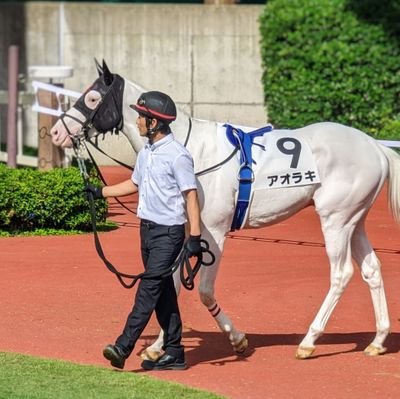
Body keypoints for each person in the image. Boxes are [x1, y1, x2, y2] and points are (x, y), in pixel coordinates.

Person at [86, 91, 202, 371]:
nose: (137, 121)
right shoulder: (147, 152)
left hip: (169, 233)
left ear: (155, 123)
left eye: (141, 117)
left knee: (148, 289)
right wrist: (100, 192)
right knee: (162, 290)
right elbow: (134, 184)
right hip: (147, 231)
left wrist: (195, 237)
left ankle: (123, 346)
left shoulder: (178, 156)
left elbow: (190, 195)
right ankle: (175, 352)